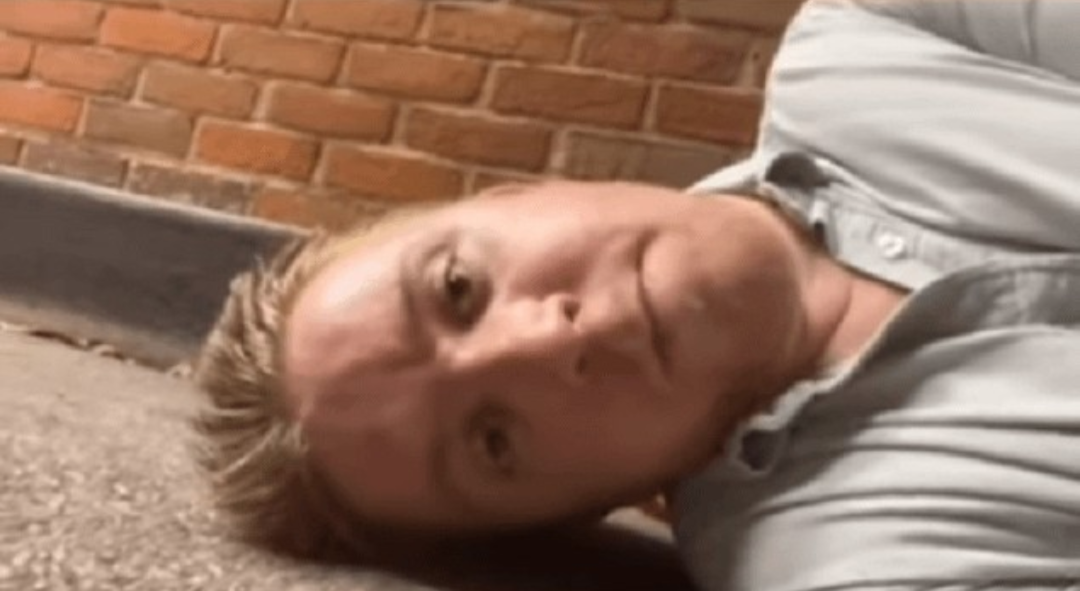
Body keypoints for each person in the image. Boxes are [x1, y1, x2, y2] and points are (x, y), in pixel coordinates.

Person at [192, 0, 1080, 588]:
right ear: (579, 512)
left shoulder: (873, 36)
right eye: (495, 440)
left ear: (513, 194)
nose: (547, 344)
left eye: (459, 288)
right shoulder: (857, 563)